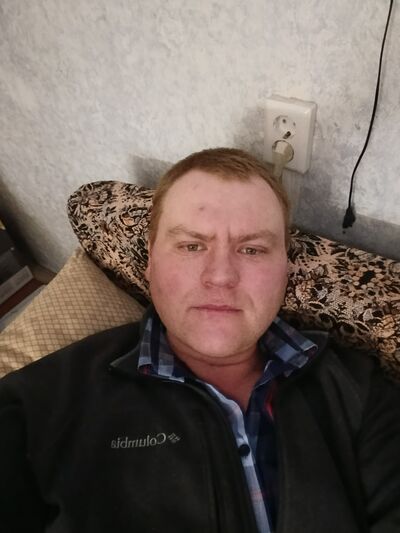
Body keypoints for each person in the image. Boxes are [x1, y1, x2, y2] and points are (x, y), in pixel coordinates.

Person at [0, 148, 399, 533]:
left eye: (252, 249)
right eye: (192, 246)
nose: (221, 276)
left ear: (285, 268)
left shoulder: (360, 391)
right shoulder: (40, 403)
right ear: (151, 261)